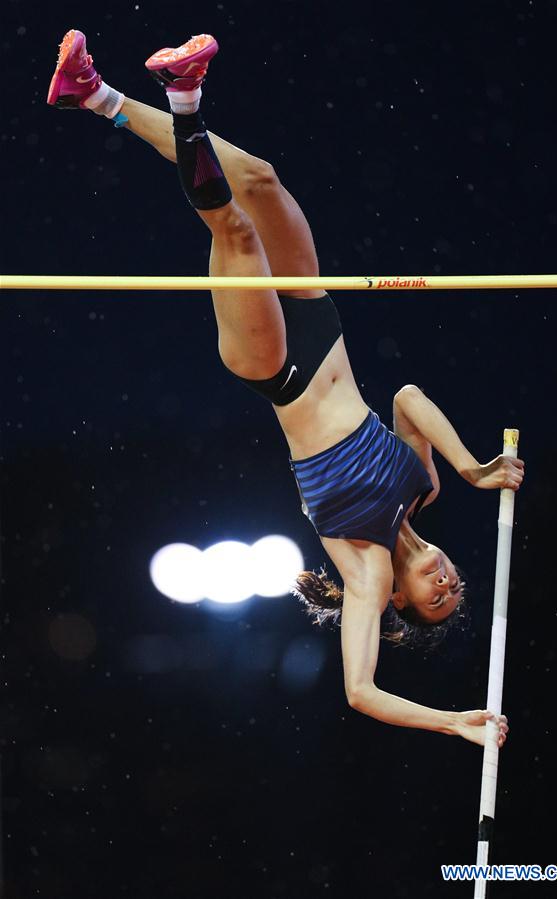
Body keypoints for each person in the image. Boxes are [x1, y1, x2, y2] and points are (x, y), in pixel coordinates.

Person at [47, 29, 524, 747]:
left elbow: (361, 693)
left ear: (398, 602)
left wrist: (453, 722)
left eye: (434, 601)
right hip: (318, 320)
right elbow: (408, 398)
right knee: (261, 180)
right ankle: (93, 96)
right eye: (456, 588)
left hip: (275, 366)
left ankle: (185, 98)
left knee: (236, 231)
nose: (446, 585)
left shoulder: (365, 572)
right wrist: (471, 468)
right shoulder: (422, 487)